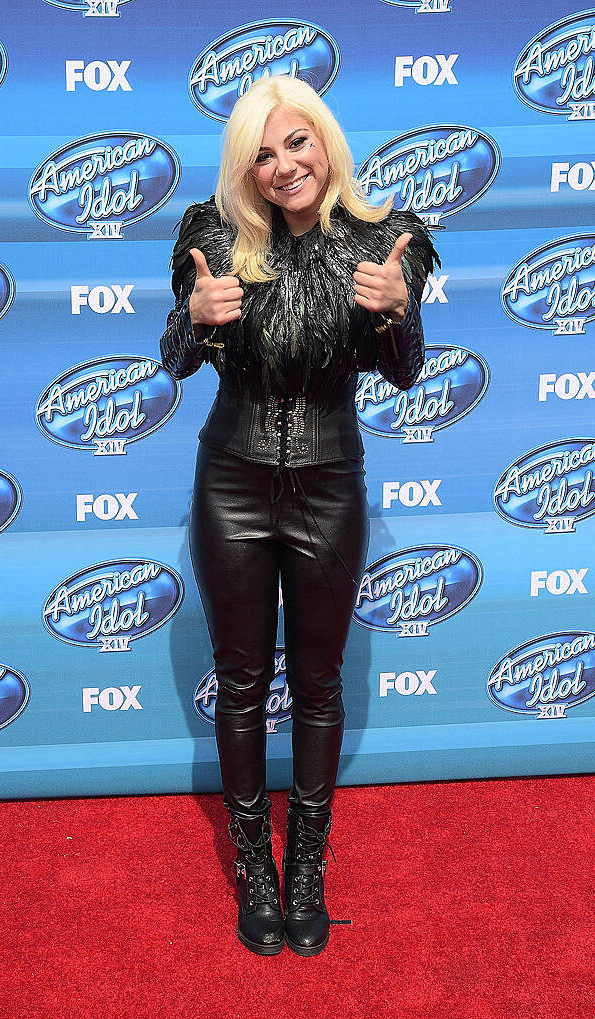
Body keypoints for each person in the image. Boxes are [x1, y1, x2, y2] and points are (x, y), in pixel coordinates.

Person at [159, 75, 440, 957]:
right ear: (246, 168)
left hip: (329, 484)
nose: (285, 166)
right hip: (232, 484)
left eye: (298, 144)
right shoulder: (212, 239)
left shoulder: (384, 242)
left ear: (327, 142)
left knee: (318, 683)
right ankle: (254, 869)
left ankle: (307, 869)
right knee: (240, 681)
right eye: (264, 153)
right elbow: (171, 360)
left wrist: (398, 313)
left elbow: (401, 373)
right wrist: (193, 322)